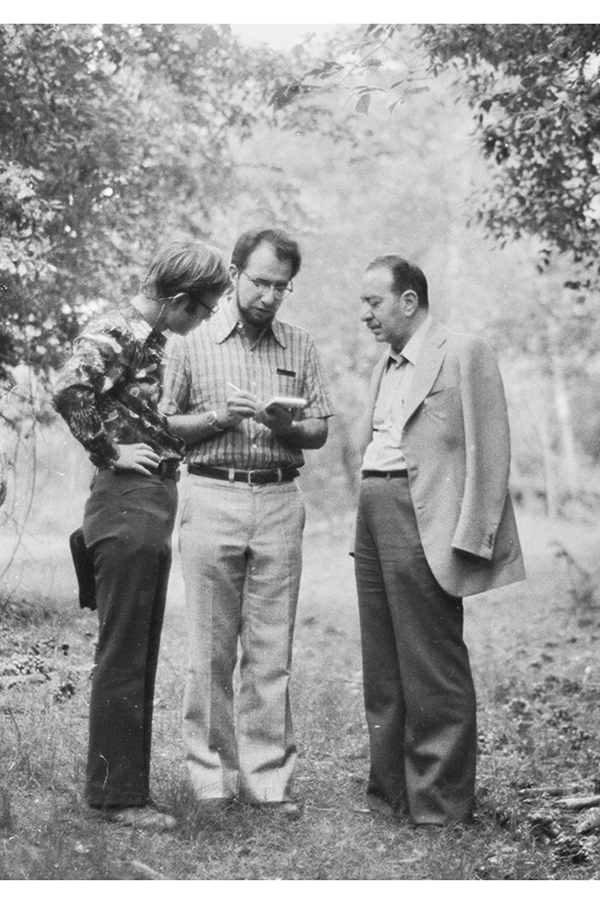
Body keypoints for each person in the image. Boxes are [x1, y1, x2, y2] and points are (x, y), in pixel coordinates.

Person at [52, 238, 231, 830]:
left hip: (149, 501)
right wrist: (107, 450)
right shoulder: (118, 329)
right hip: (126, 504)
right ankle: (116, 798)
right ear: (180, 299)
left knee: (137, 650)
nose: (203, 321)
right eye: (202, 310)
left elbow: (140, 411)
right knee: (124, 653)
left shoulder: (149, 338)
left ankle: (123, 789)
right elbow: (67, 387)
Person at [160, 227, 333, 816]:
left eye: (282, 287)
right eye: (260, 281)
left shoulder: (300, 344)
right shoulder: (193, 337)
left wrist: (286, 427)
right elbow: (166, 424)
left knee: (269, 647)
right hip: (211, 494)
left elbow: (321, 430)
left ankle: (265, 780)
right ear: (234, 274)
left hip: (280, 498)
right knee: (209, 646)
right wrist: (214, 418)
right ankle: (210, 779)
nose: (270, 296)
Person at [354, 254, 525, 827]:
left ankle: (442, 804)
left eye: (373, 302)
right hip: (373, 508)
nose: (365, 315)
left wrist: (473, 535)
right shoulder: (385, 365)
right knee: (382, 662)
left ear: (408, 300)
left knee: (432, 663)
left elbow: (491, 445)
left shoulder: (464, 350)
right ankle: (391, 792)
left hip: (423, 515)